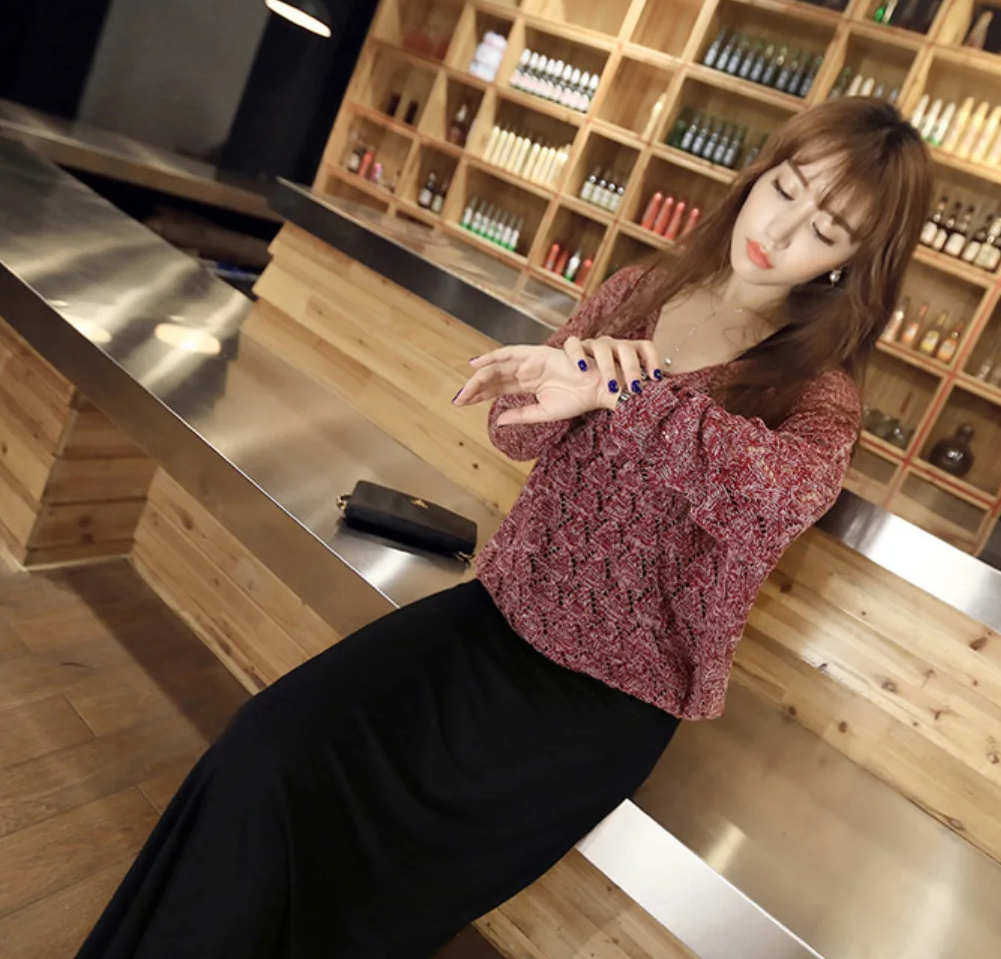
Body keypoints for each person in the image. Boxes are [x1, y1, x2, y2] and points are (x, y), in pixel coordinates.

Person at [75, 97, 932, 959]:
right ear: (758, 175)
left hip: (597, 704)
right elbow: (515, 431)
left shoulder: (818, 393)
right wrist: (555, 387)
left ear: (852, 261)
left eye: (825, 228)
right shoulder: (639, 290)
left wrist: (626, 393)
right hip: (493, 617)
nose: (780, 231)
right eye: (783, 189)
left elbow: (770, 502)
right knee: (263, 747)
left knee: (360, 904)